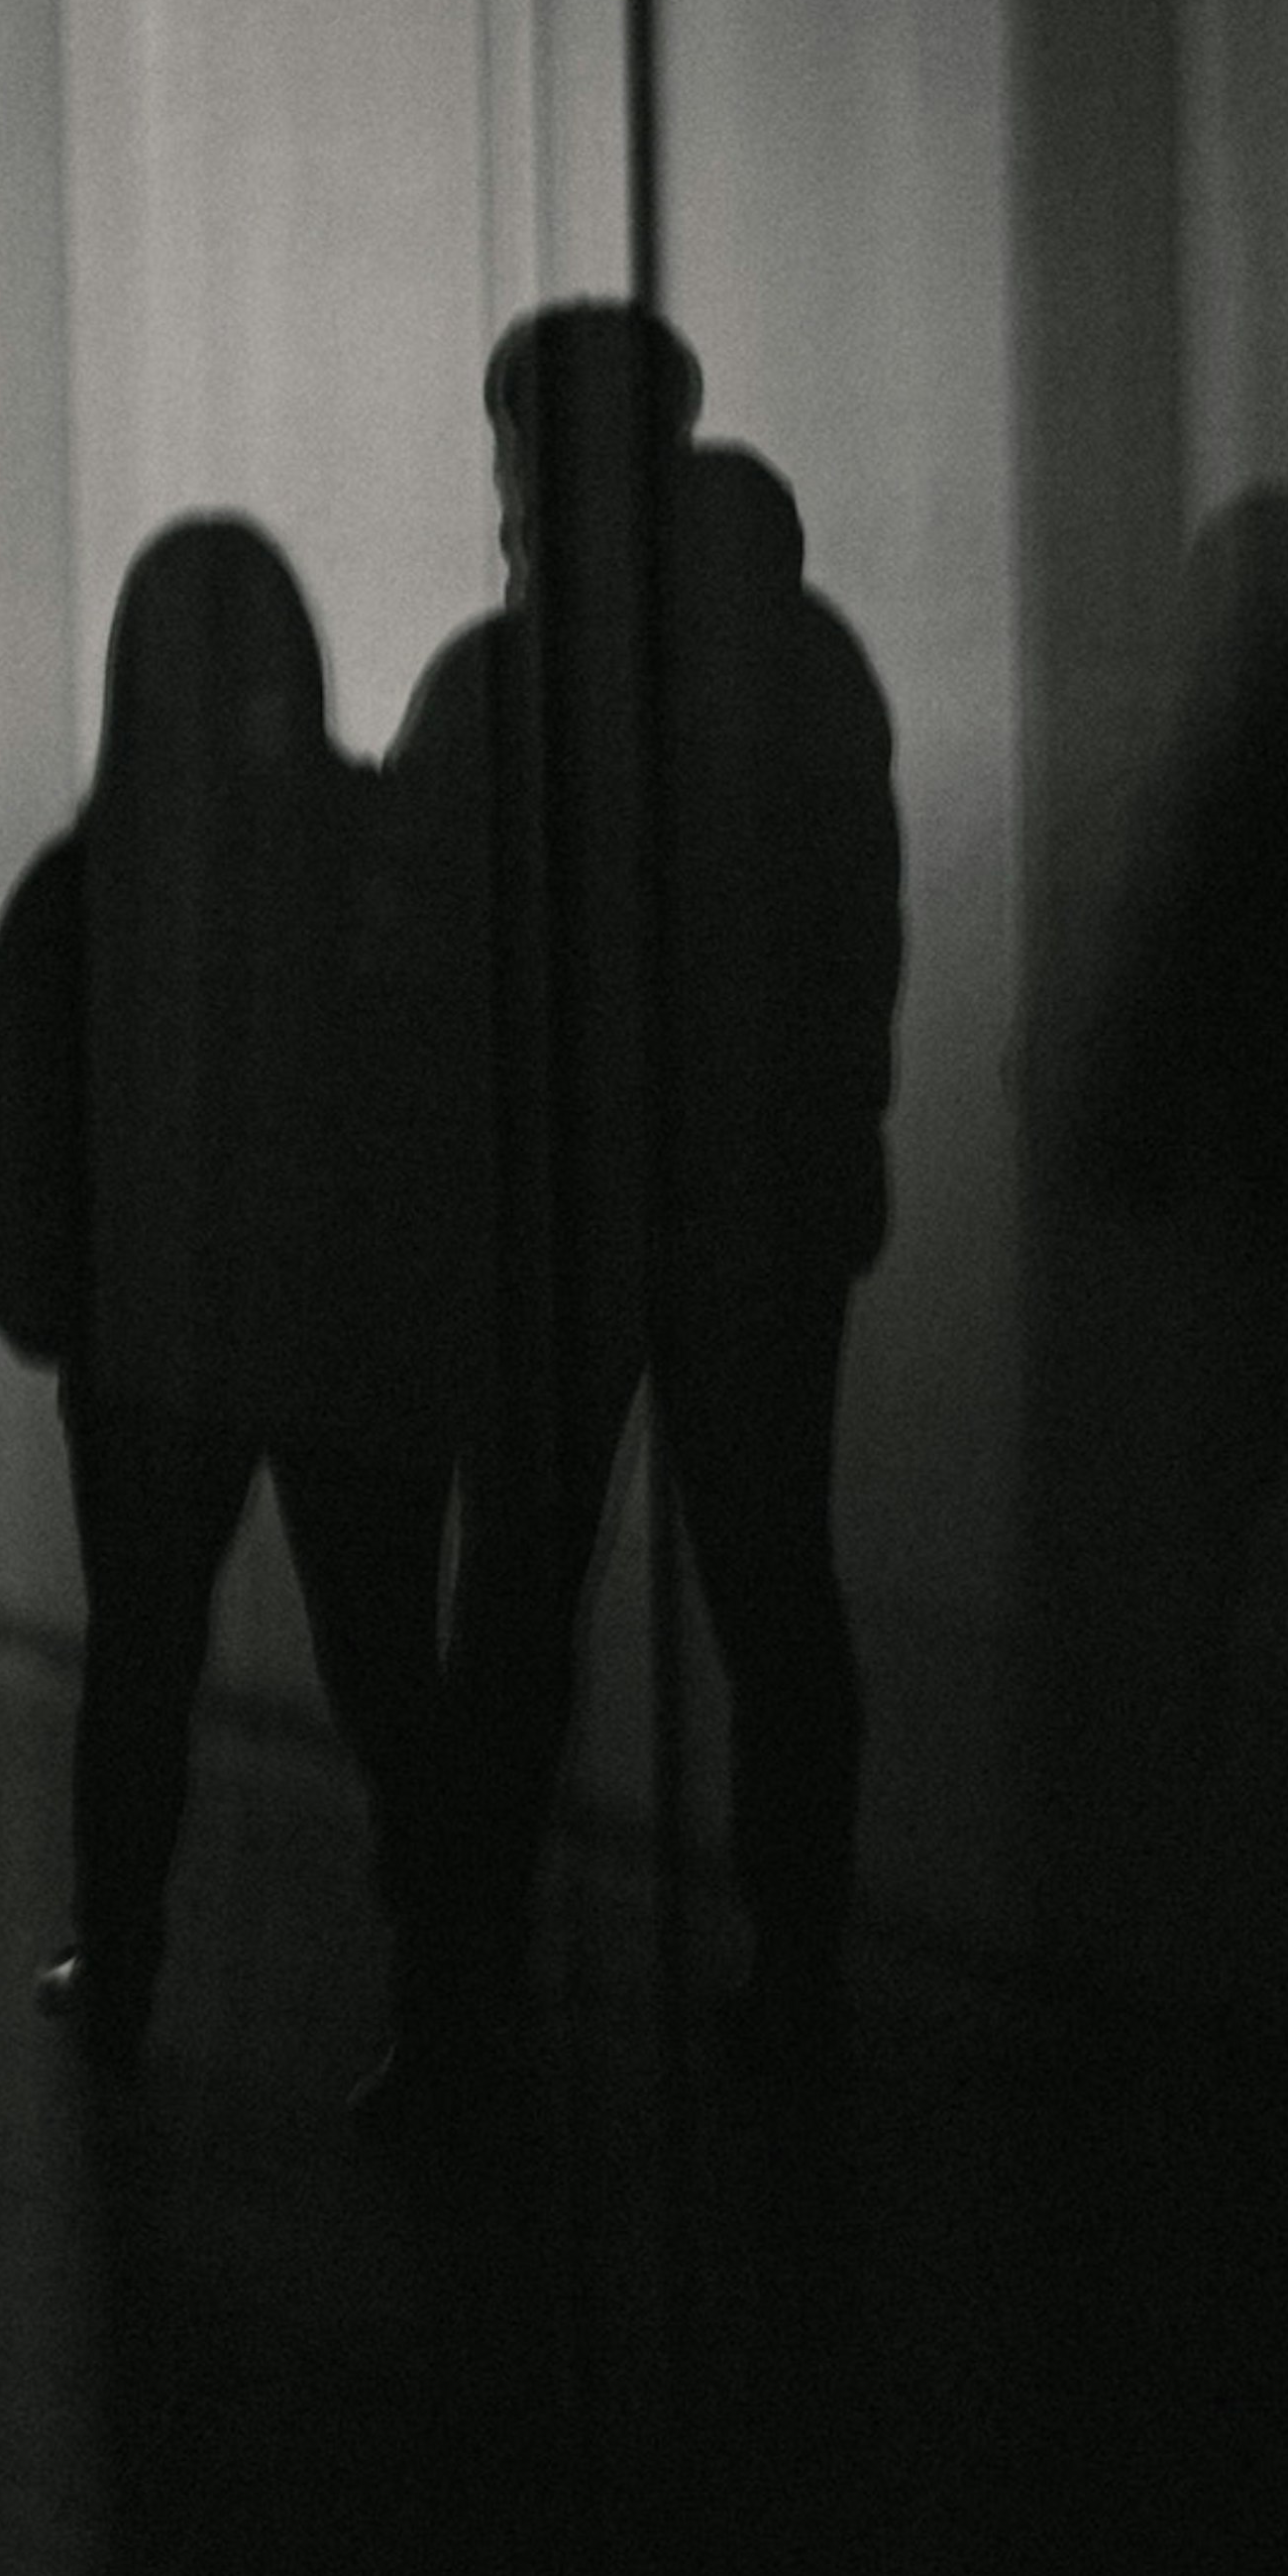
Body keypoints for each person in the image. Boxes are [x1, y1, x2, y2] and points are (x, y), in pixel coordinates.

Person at [383, 309, 903, 2101]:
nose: (511, 492)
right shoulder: (798, 660)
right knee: (772, 1586)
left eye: (521, 454)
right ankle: (799, 1965)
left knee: (514, 1607)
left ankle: (466, 1995)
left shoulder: (497, 682)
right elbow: (856, 949)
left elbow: (415, 952)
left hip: (554, 1222)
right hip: (752, 1208)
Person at [0, 517, 458, 2071]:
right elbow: (444, 1083)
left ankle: (128, 1963)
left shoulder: (94, 880)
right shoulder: (374, 848)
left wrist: (60, 1305)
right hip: (358, 1334)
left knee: (141, 1664)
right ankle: (442, 1980)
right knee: (386, 1670)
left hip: (158, 1340)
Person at [1070, 487, 1288, 1817]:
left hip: (1261, 1181)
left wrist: (1121, 1131)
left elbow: (1170, 966)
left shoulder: (1215, 772)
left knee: (1213, 1487)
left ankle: (1178, 1752)